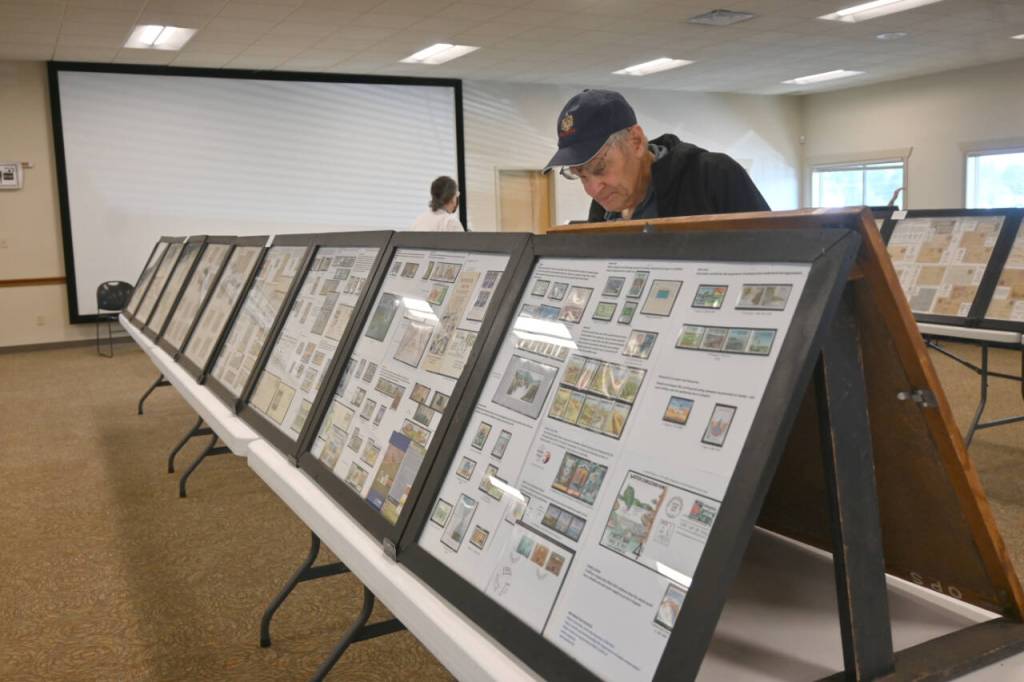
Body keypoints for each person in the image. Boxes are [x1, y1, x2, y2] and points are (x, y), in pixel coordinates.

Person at [543, 89, 769, 222]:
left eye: (600, 168)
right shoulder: (605, 205)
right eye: (581, 176)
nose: (593, 190)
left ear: (636, 141)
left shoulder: (712, 176)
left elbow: (778, 258)